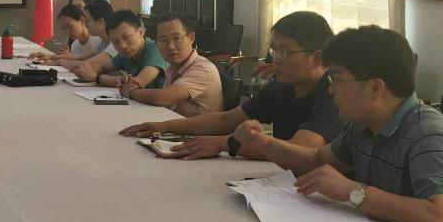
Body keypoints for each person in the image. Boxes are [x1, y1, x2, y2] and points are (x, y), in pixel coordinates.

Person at [233, 25, 443, 222]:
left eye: (336, 79)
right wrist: (264, 142)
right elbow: (316, 161)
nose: (330, 89)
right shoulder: (363, 123)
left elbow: (440, 221)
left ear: (375, 89)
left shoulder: (429, 134)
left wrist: (352, 191)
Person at [119, 11, 341, 160]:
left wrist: (225, 144)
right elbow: (225, 120)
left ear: (317, 58)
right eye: (274, 50)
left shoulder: (335, 94)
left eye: (285, 52)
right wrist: (164, 126)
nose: (275, 59)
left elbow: (302, 149)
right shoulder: (281, 87)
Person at [118, 12, 222, 115]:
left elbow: (163, 98)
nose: (171, 46)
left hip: (196, 126)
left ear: (191, 38)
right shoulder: (172, 66)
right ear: (157, 44)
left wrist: (131, 91)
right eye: (164, 40)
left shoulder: (203, 68)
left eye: (177, 38)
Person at [64, 9, 165, 89]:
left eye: (126, 37)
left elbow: (135, 84)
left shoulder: (155, 50)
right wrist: (82, 70)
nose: (122, 46)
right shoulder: (126, 54)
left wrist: (97, 77)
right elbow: (103, 67)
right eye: (116, 42)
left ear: (141, 32)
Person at [29, 5, 102, 63]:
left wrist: (51, 58)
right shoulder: (74, 45)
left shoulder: (97, 41)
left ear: (82, 20)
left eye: (70, 26)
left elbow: (83, 61)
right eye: (65, 29)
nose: (68, 31)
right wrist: (50, 57)